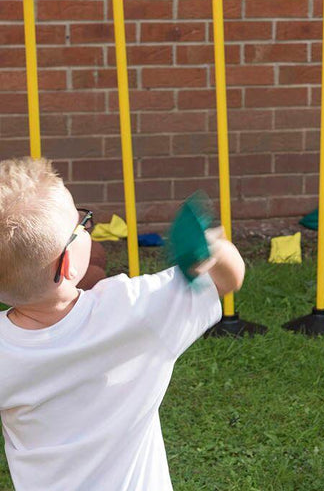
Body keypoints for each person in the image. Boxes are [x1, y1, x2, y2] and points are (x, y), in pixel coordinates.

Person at [0, 157, 246, 491]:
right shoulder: (136, 309)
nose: (89, 227)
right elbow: (227, 281)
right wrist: (212, 246)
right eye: (82, 223)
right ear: (68, 262)